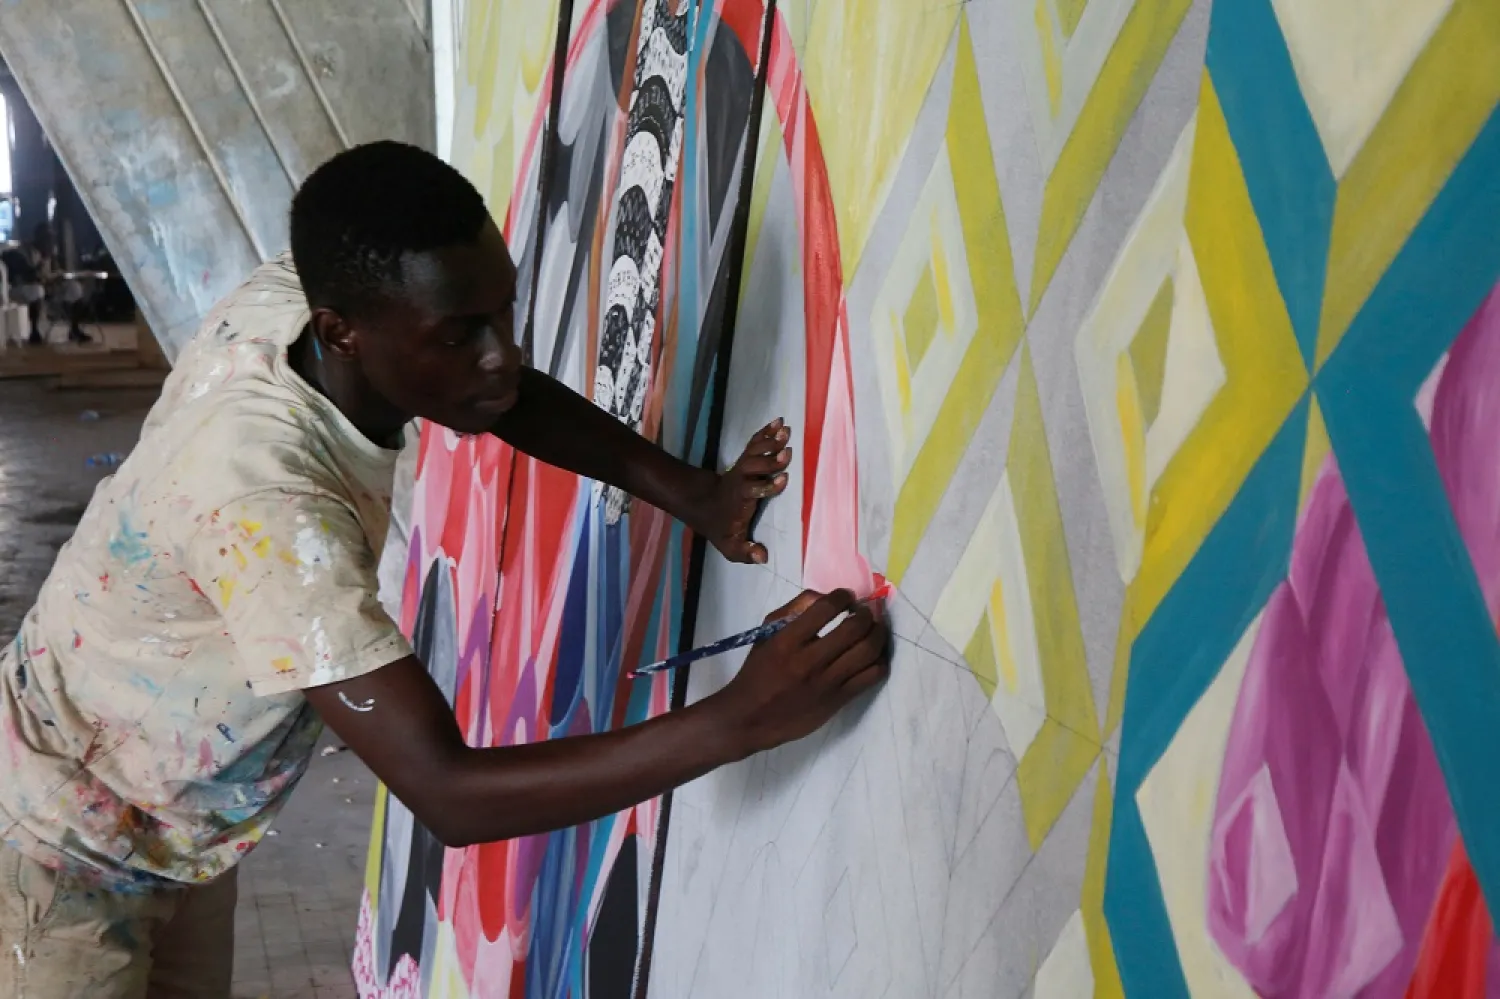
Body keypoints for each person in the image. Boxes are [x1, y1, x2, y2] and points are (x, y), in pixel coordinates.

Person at [0, 141, 889, 996]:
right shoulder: (271, 514)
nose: (503, 352)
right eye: (464, 334)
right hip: (56, 851)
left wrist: (695, 495)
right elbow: (450, 792)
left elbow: (487, 390)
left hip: (167, 824)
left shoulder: (318, 308)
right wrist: (742, 716)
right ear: (340, 332)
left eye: (503, 313)